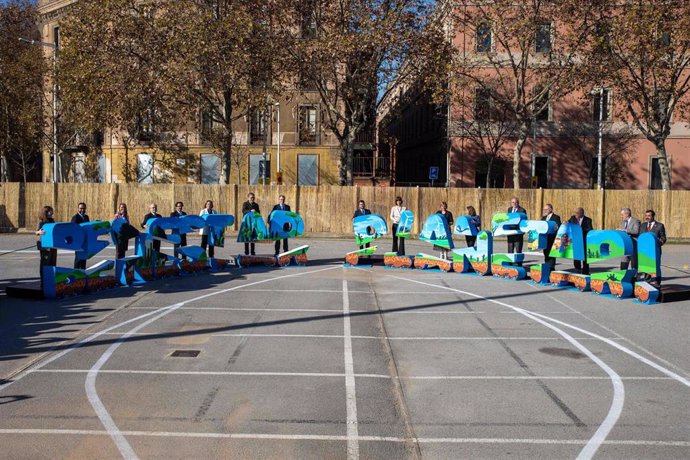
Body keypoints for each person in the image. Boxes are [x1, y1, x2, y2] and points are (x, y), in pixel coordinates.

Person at [639, 209, 667, 286]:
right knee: (646, 267)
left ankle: (657, 282)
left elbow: (663, 238)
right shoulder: (643, 225)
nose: (647, 217)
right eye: (646, 215)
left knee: (656, 266)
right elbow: (640, 237)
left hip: (655, 251)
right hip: (644, 251)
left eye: (649, 215)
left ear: (653, 216)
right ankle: (647, 283)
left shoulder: (659, 225)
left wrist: (658, 244)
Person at [36, 206, 56, 290]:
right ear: (45, 212)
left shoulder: (52, 221)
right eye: (50, 212)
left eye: (52, 212)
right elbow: (36, 232)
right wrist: (40, 232)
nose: (52, 213)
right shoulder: (41, 222)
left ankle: (51, 281)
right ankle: (43, 282)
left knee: (52, 263)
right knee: (45, 264)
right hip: (45, 248)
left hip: (53, 246)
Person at [568, 207, 593, 275]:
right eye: (575, 213)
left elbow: (589, 229)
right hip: (576, 241)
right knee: (576, 257)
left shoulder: (588, 220)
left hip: (584, 241)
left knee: (585, 258)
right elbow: (568, 224)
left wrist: (580, 230)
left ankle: (585, 272)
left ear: (582, 213)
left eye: (577, 213)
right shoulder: (573, 218)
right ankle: (577, 271)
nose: (576, 215)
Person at [541, 203, 561, 270]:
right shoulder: (543, 218)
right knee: (546, 254)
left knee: (552, 255)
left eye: (546, 209)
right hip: (545, 240)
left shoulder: (556, 217)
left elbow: (558, 227)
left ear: (551, 209)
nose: (545, 211)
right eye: (544, 209)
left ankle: (552, 269)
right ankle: (547, 268)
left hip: (553, 239)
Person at [70, 202, 90, 268]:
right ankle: (76, 274)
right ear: (78, 209)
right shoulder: (75, 218)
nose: (82, 210)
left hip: (85, 241)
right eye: (81, 208)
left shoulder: (86, 217)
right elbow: (72, 229)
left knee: (84, 258)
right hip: (78, 241)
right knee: (78, 259)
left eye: (84, 208)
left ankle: (83, 273)